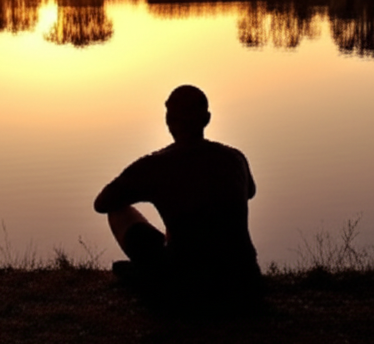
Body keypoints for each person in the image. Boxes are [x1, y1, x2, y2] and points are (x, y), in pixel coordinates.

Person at [94, 85, 260, 295]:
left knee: (118, 211)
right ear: (207, 119)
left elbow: (102, 204)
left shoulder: (155, 165)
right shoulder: (235, 158)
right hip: (247, 286)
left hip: (186, 292)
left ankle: (155, 273)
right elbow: (250, 192)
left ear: (168, 122)